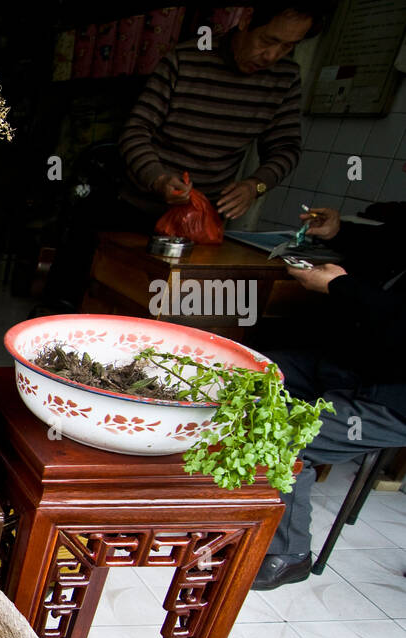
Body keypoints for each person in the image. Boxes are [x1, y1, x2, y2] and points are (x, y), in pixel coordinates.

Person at [41, 2, 330, 311]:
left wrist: (255, 186)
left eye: (289, 46)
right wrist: (158, 178)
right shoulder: (187, 59)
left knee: (171, 310)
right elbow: (136, 130)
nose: (273, 55)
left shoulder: (285, 77)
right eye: (268, 41)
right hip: (135, 210)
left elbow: (285, 147)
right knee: (103, 295)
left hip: (203, 224)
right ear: (246, 19)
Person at [252, 203, 406, 590]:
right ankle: (230, 505)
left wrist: (342, 287)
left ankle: (289, 554)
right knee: (251, 372)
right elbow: (392, 241)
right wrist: (339, 233)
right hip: (353, 365)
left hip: (392, 398)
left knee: (284, 434)